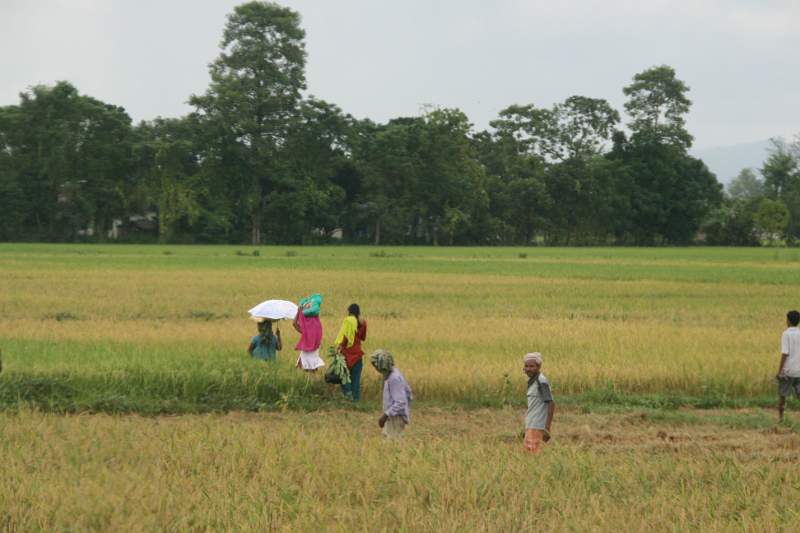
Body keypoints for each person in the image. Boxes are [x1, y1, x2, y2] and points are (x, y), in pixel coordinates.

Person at [370, 349, 412, 439]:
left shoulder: (394, 378)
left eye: (376, 366)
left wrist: (385, 415)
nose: (376, 369)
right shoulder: (391, 374)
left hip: (395, 417)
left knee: (392, 444)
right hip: (392, 416)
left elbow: (400, 402)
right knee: (387, 444)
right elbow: (408, 392)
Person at [523, 352, 555, 454]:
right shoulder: (533, 381)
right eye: (526, 366)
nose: (528, 369)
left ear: (539, 366)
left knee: (533, 454)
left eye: (532, 366)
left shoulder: (541, 381)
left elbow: (551, 403)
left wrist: (547, 428)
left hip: (538, 425)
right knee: (528, 454)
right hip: (531, 424)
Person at [335, 303, 367, 401]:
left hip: (346, 354)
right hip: (358, 355)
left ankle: (348, 397)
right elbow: (363, 338)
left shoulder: (348, 321)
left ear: (349, 311)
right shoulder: (363, 322)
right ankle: (355, 401)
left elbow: (346, 337)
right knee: (355, 380)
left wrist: (339, 347)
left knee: (343, 377)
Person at [777, 310, 800, 422]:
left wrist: (780, 371)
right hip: (799, 371)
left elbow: (785, 353)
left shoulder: (786, 334)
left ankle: (781, 419)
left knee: (783, 395)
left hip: (788, 371)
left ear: (789, 321)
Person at [293, 295, 325, 373]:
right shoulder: (316, 325)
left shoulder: (305, 328)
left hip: (306, 349)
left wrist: (298, 312)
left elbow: (294, 323)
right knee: (313, 369)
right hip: (313, 349)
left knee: (305, 368)